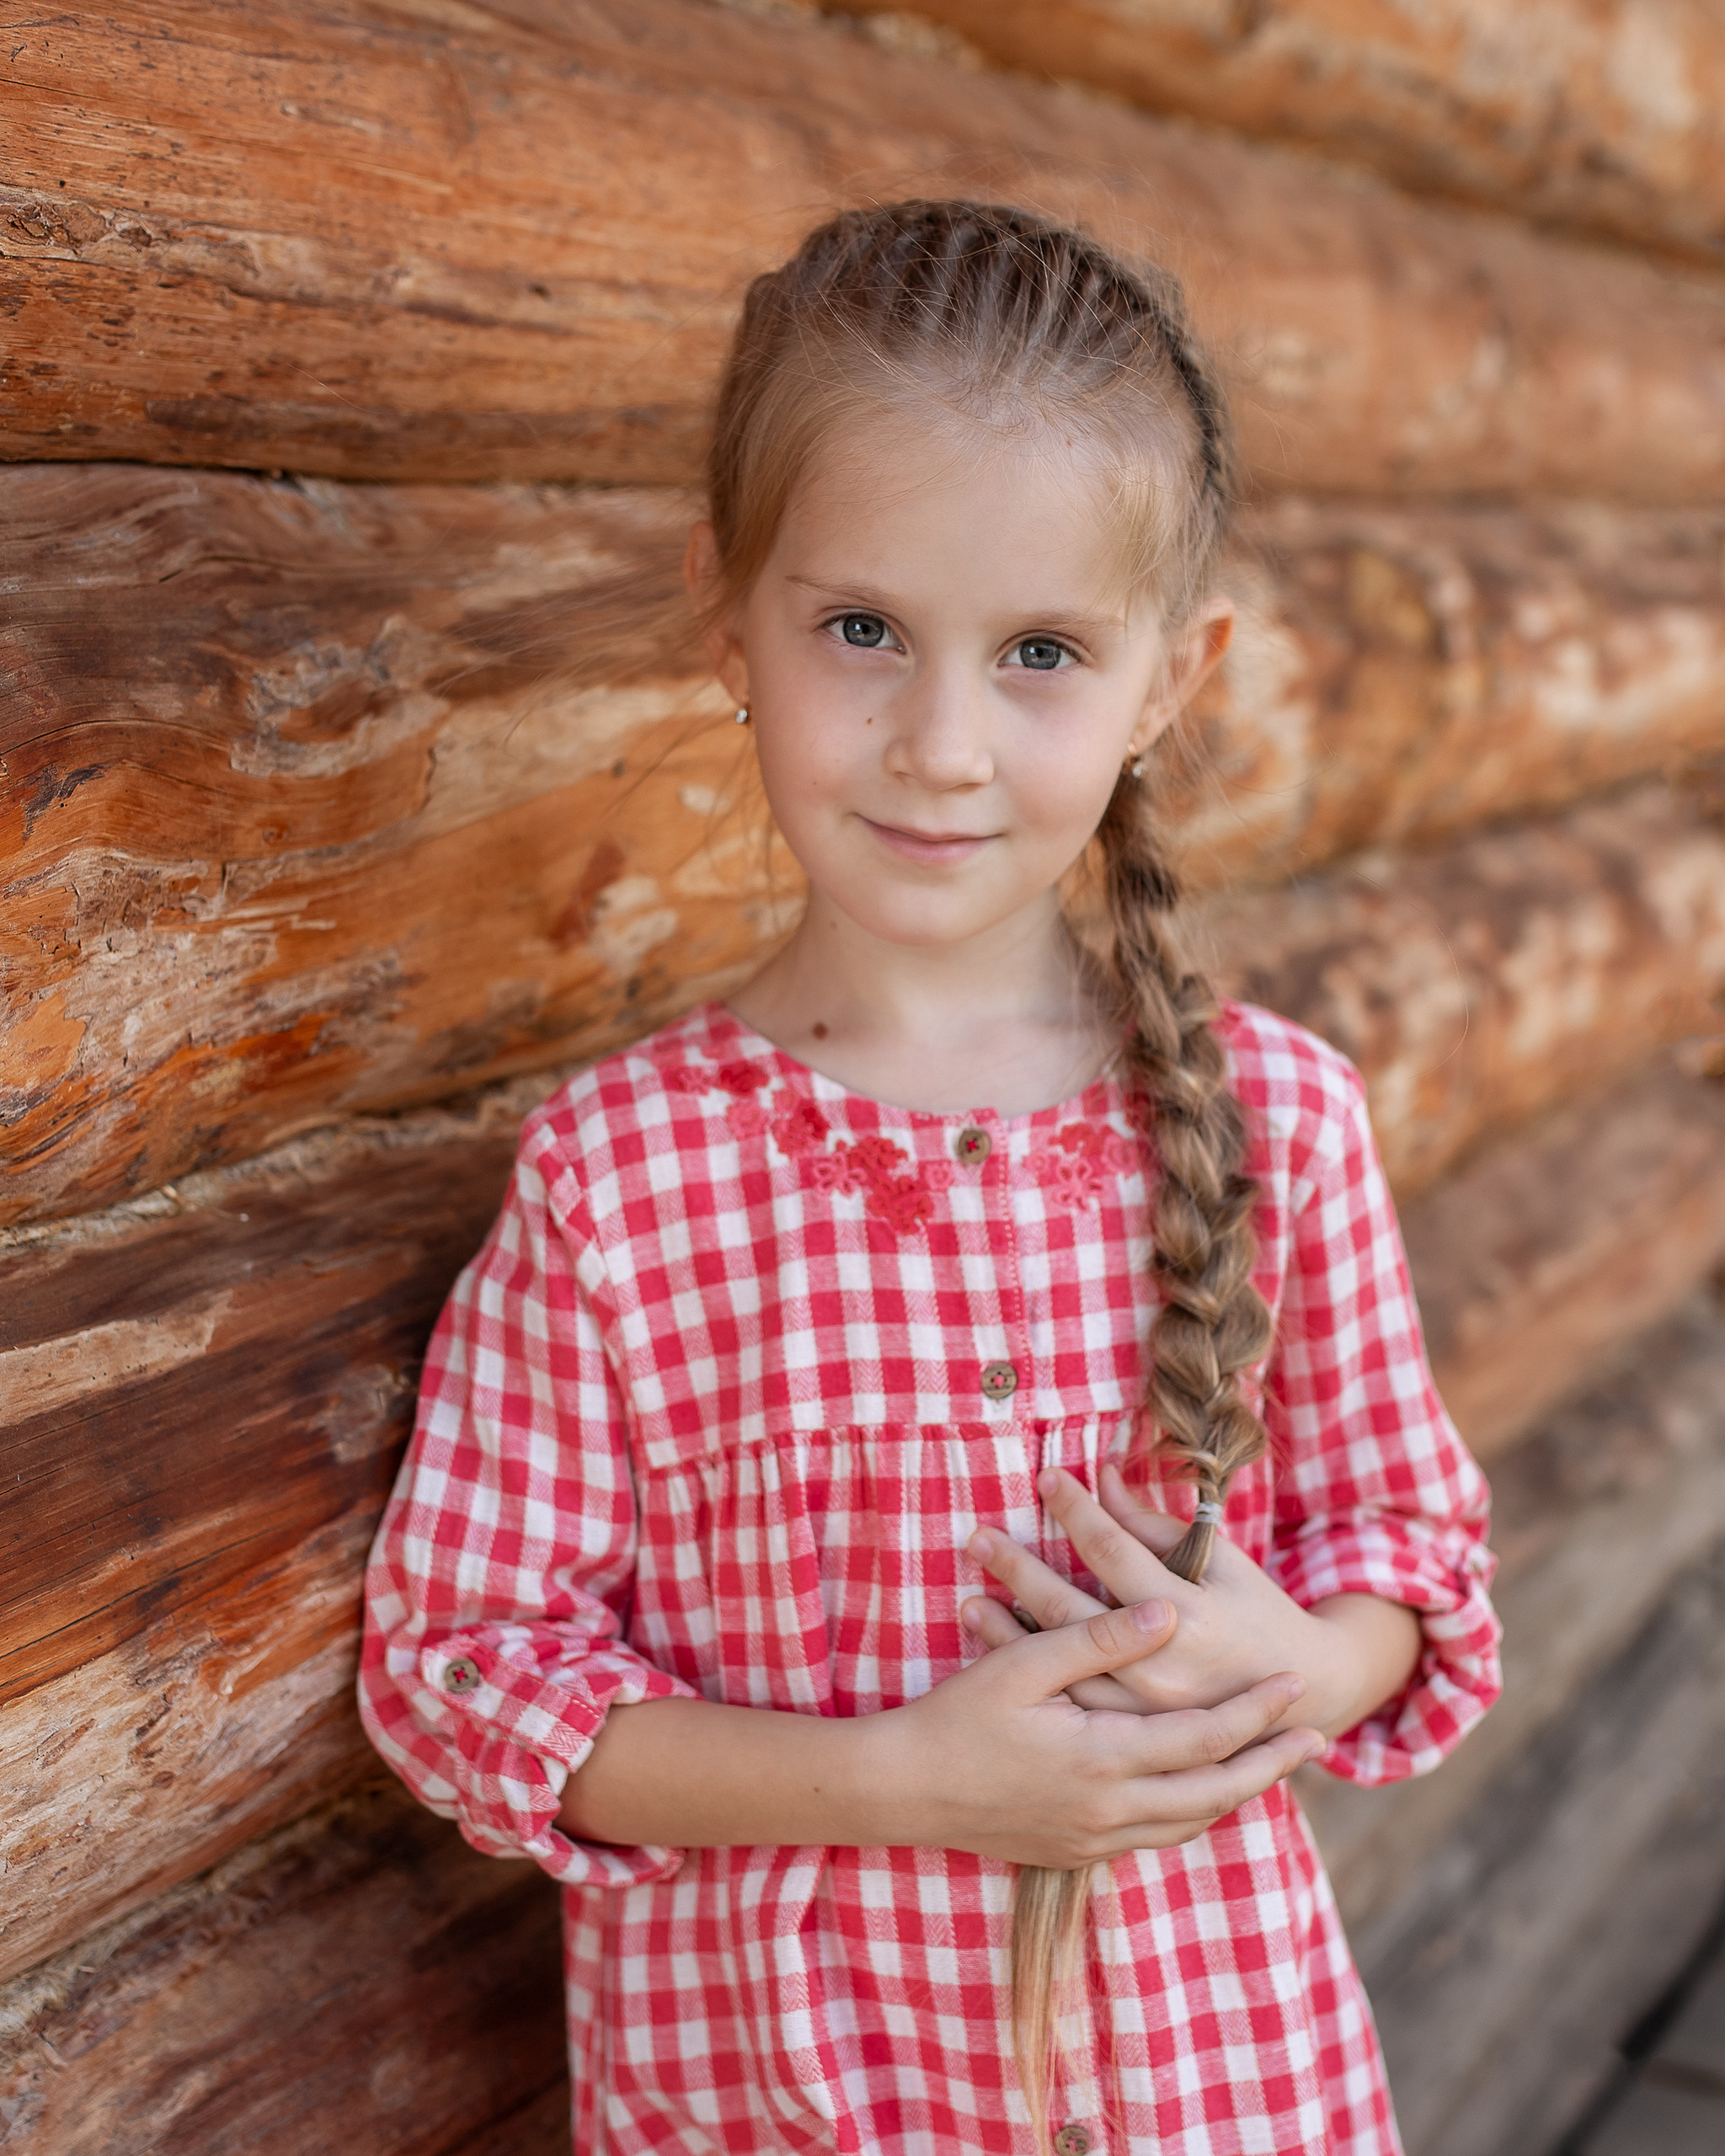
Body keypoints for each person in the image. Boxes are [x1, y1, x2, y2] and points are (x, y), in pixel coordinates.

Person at [358, 200, 1499, 2156]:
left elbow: (1411, 1558)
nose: (941, 741)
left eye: (1041, 650)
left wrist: (1305, 1656)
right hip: (790, 2102)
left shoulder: (1276, 1120)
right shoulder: (623, 1181)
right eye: (862, 627)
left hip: (1208, 2087)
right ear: (731, 612)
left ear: (1168, 677)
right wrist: (900, 1777)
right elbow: (468, 1673)